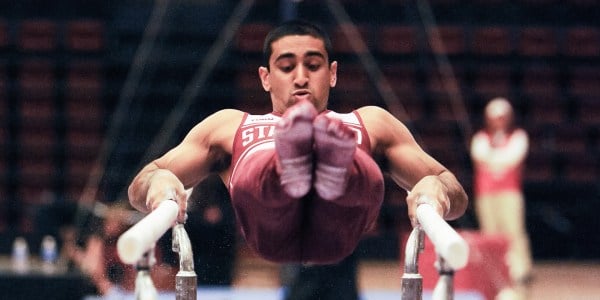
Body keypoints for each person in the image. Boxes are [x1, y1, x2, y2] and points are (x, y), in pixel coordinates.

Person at [128, 19, 468, 265]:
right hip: (269, 216)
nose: (301, 77)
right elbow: (142, 183)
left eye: (313, 65)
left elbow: (453, 190)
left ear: (332, 73)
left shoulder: (369, 122)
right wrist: (161, 183)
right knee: (259, 175)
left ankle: (330, 167)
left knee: (355, 173)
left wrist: (433, 192)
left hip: (339, 221)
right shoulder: (229, 125)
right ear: (265, 78)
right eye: (287, 66)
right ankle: (291, 166)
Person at [470, 97, 533, 299]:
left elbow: (512, 158)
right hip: (486, 193)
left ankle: (520, 274)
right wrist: (498, 161)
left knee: (514, 232)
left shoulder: (519, 137)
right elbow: (481, 157)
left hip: (509, 192)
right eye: (495, 118)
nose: (498, 121)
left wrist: (493, 161)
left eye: (502, 118)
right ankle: (493, 276)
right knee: (490, 234)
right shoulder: (480, 138)